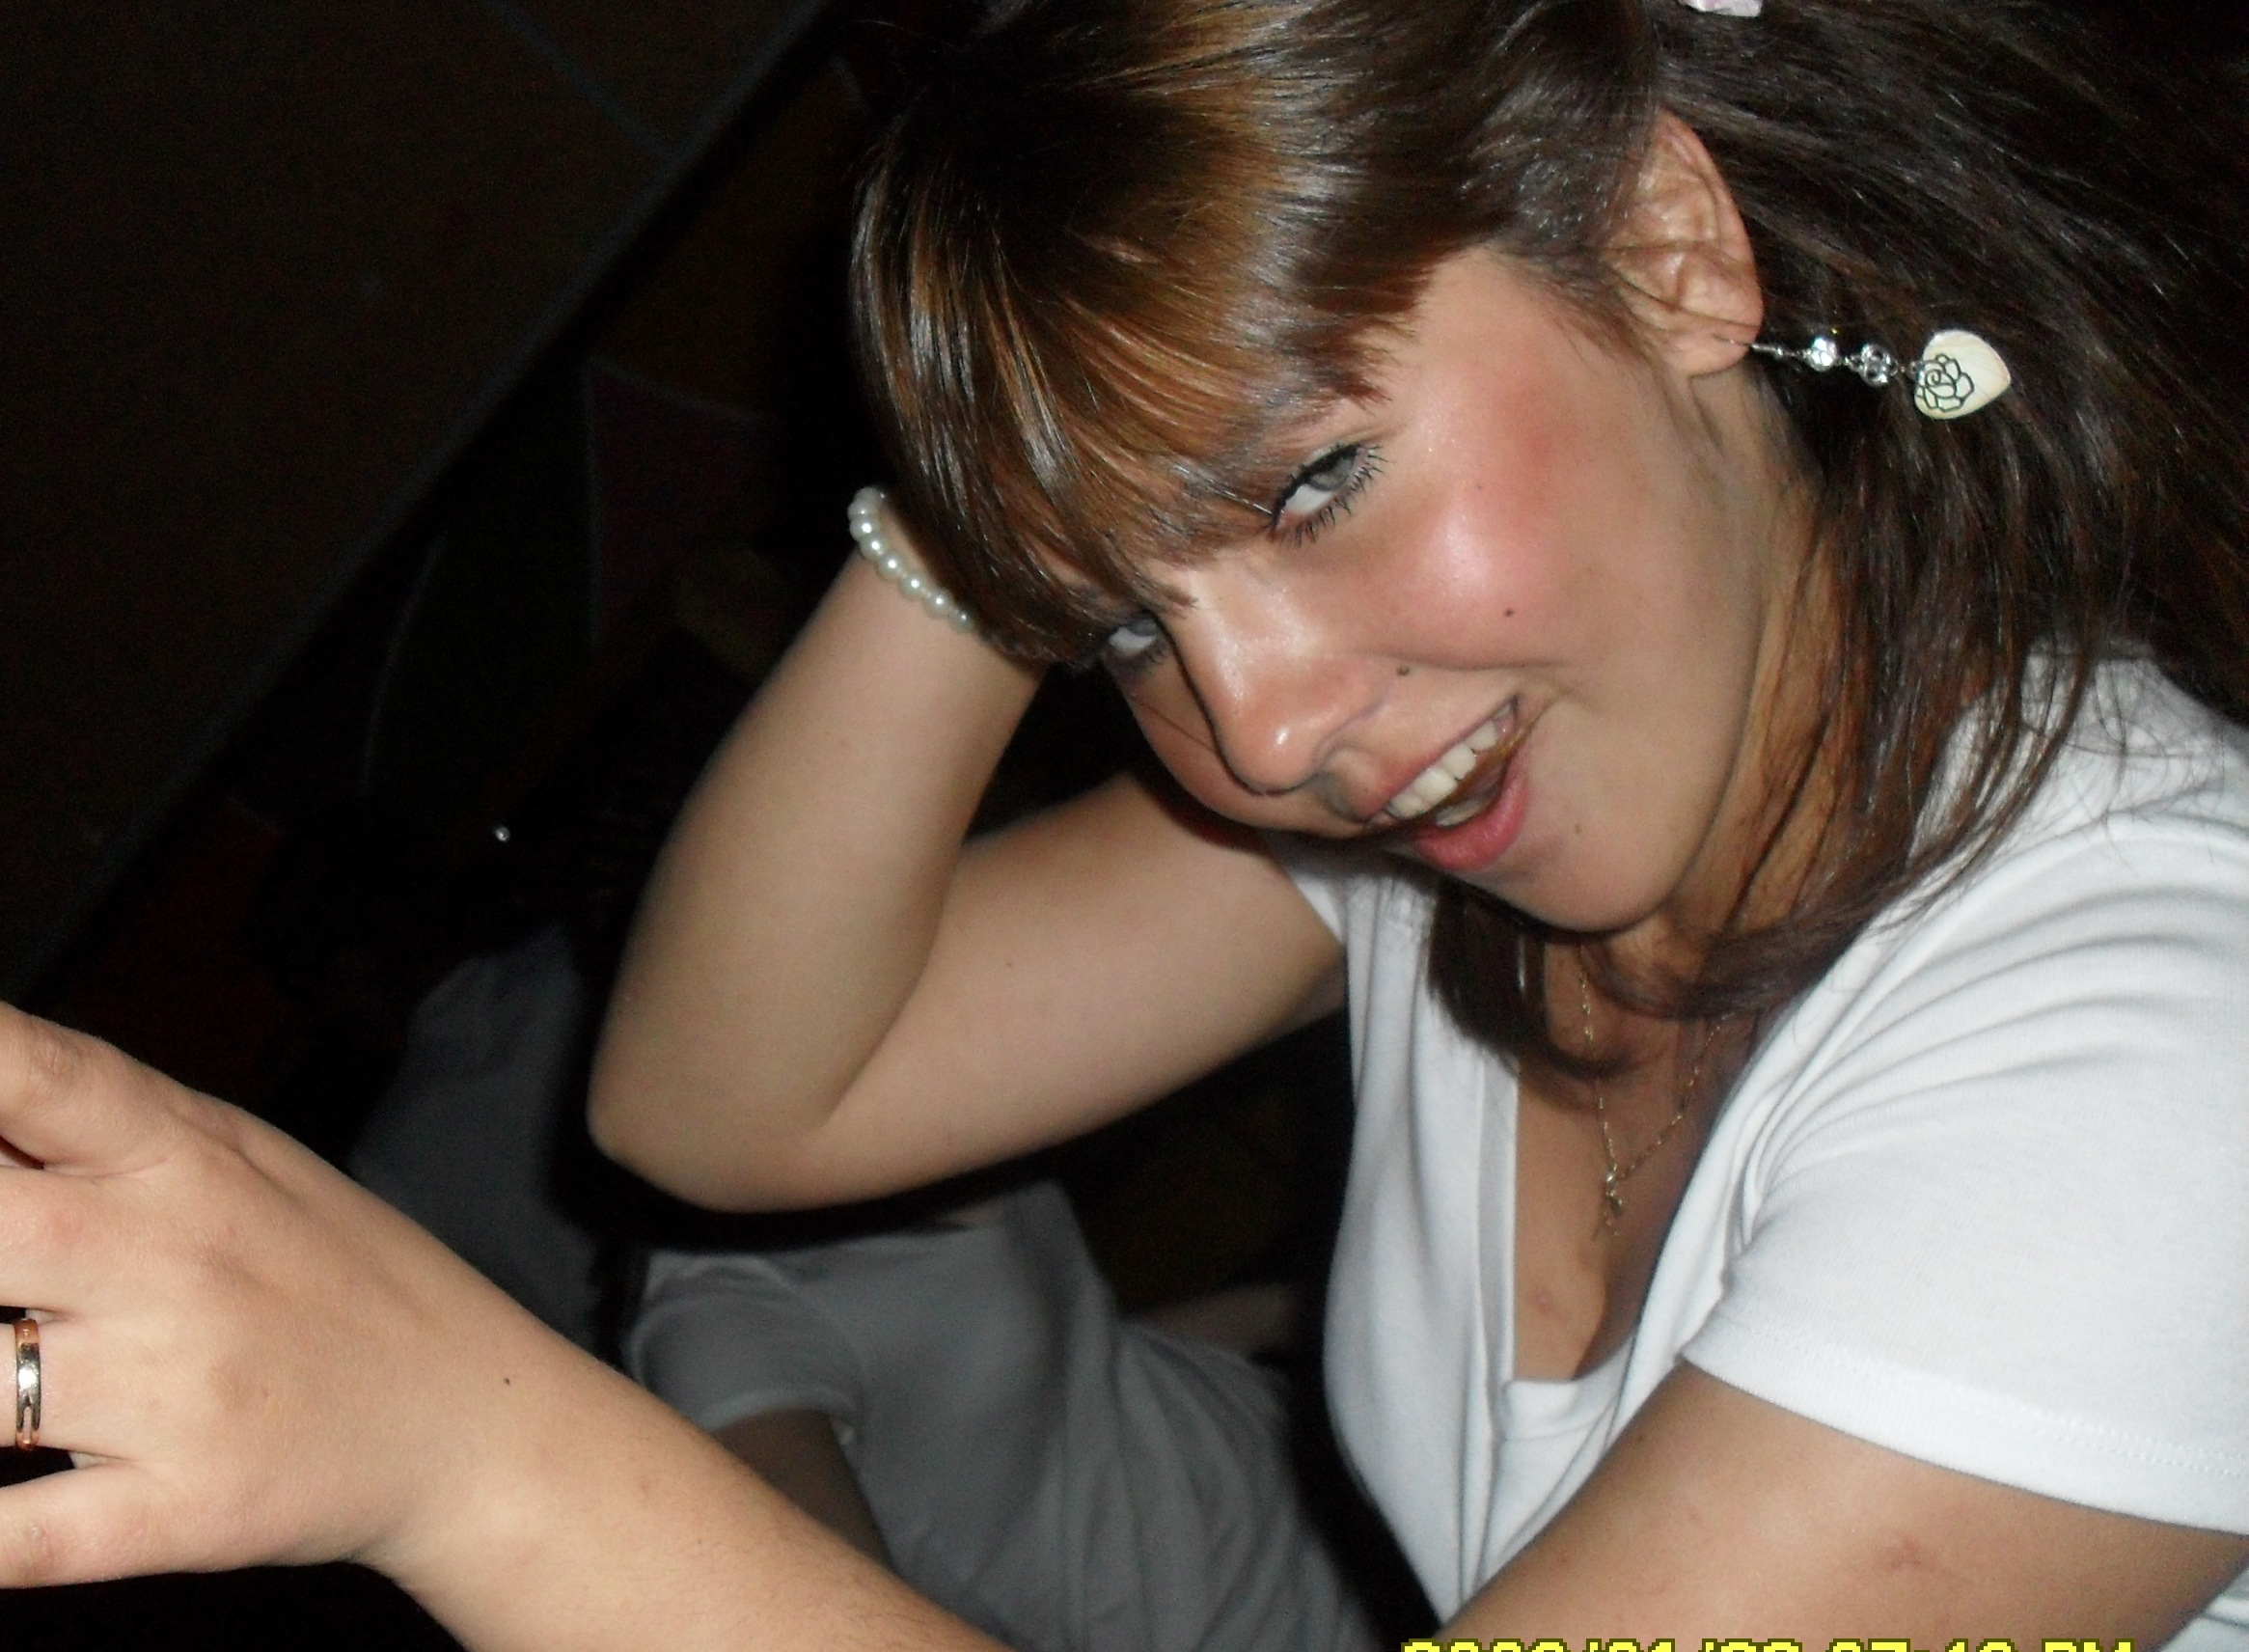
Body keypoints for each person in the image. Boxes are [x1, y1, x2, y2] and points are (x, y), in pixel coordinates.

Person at [5, 0, 2248, 1645]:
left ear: (1667, 246)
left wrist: (457, 1447)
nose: (1256, 733)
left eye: (1310, 482)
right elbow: (728, 1100)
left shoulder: (2163, 1053)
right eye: (1116, 628)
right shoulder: (1456, 823)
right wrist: (1023, 465)